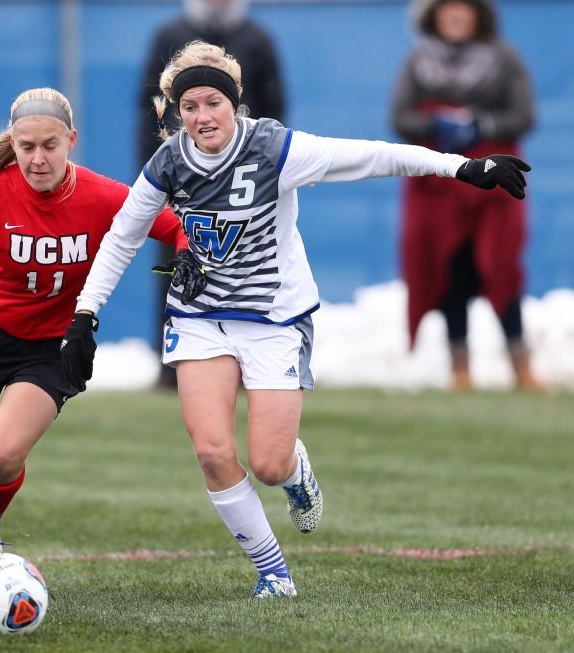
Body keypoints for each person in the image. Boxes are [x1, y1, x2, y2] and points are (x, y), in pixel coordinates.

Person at [61, 41, 529, 598]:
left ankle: (293, 468)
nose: (202, 116)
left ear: (233, 103)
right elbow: (121, 238)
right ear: (176, 113)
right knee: (212, 451)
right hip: (199, 316)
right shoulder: (167, 163)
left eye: (212, 102)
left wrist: (464, 166)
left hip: (274, 319)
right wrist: (84, 315)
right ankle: (273, 573)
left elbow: (375, 156)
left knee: (268, 462)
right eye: (189, 107)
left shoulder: (275, 149)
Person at [0, 88, 189, 559]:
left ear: (71, 141)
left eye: (50, 145)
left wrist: (190, 262)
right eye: (26, 147)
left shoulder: (106, 198)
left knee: (1, 455)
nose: (38, 159)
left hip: (52, 349)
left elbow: (176, 226)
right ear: (13, 143)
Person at [139, 0, 286, 389]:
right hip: (184, 180)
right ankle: (172, 359)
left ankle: (243, 358)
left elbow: (275, 111)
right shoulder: (170, 35)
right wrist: (154, 177)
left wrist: (268, 174)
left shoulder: (257, 40)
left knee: (242, 264)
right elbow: (148, 112)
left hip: (242, 183)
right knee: (177, 261)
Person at [392, 0, 538, 390]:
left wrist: (482, 124)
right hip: (438, 183)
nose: (455, 16)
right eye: (447, 8)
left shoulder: (503, 58)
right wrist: (435, 124)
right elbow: (400, 117)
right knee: (447, 268)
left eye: (464, 8)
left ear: (478, 14)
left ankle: (521, 365)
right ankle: (460, 369)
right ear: (434, 15)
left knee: (500, 264)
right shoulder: (418, 61)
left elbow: (523, 114)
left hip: (495, 180)